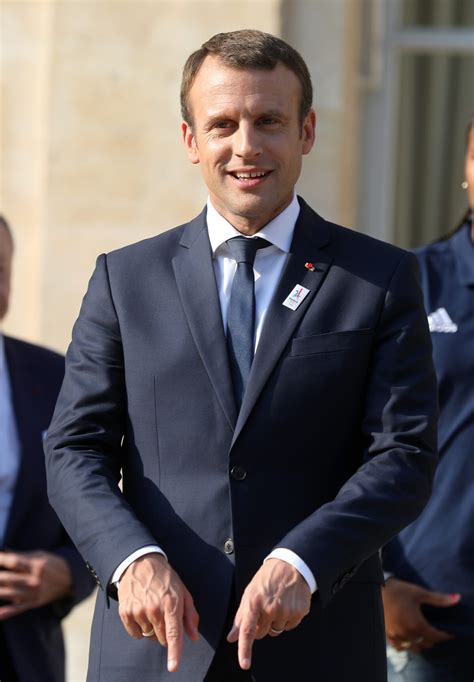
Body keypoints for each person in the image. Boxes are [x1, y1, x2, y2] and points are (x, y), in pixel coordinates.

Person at [45, 30, 438, 681]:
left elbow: (403, 454)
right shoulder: (125, 280)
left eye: (269, 122)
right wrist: (130, 560)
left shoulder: (379, 279)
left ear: (307, 131)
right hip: (155, 651)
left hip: (317, 646)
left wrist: (305, 561)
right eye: (222, 124)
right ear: (190, 140)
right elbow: (73, 448)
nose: (246, 146)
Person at [382, 116, 474, 681]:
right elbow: (346, 444)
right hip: (433, 619)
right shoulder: (410, 283)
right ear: (465, 169)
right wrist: (378, 584)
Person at [0, 216, 95, 682]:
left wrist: (70, 572)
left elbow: (99, 500)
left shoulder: (56, 378)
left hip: (24, 657)